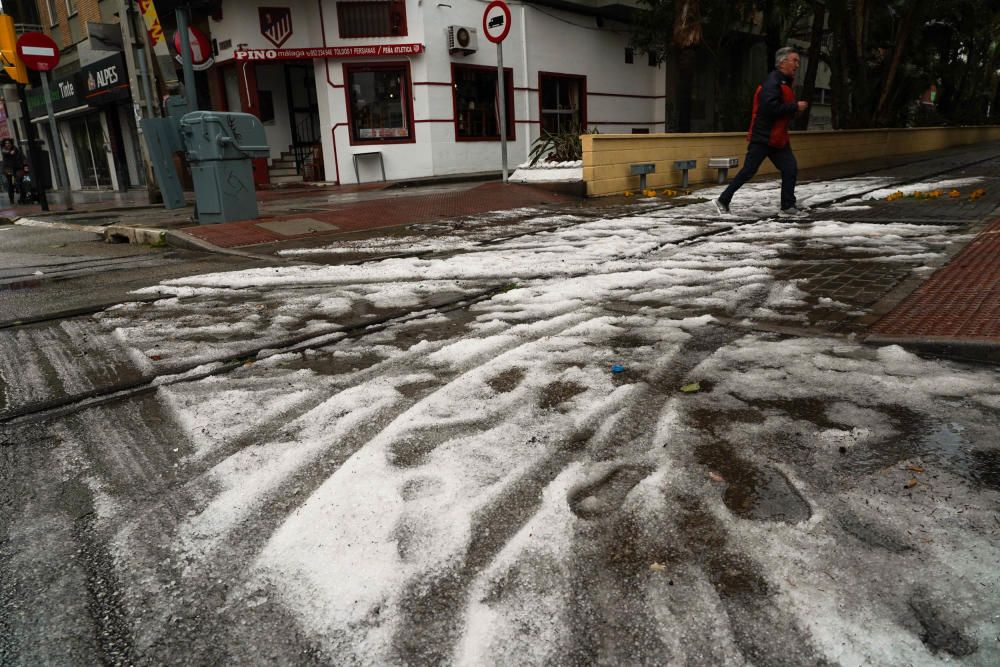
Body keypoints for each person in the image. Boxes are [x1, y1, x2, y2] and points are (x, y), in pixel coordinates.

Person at [714, 47, 809, 217]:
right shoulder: (772, 82)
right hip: (763, 137)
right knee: (748, 171)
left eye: (798, 62)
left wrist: (794, 111)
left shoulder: (784, 83)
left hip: (778, 138)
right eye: (794, 60)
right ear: (782, 62)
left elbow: (781, 111)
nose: (797, 65)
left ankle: (788, 207)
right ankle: (723, 200)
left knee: (790, 169)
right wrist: (795, 106)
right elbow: (769, 108)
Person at [1, 138, 24, 205]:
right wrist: (9, 152)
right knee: (10, 184)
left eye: (8, 143)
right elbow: (5, 151)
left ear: (11, 143)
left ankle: (22, 198)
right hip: (8, 168)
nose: (7, 144)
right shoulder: (3, 149)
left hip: (16, 167)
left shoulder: (15, 148)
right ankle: (11, 200)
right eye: (6, 143)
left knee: (20, 181)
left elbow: (18, 154)